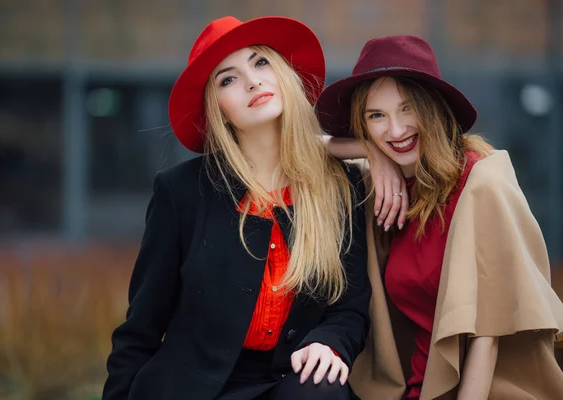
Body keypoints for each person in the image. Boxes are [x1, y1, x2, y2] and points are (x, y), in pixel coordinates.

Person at [102, 16, 372, 400]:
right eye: (228, 78)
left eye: (261, 62)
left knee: (322, 391)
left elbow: (351, 307)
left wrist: (329, 342)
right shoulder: (180, 192)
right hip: (190, 385)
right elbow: (141, 326)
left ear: (283, 74)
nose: (252, 81)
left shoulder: (340, 186)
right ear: (218, 109)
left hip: (290, 380)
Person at [315, 35, 563, 399]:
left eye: (407, 108)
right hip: (417, 387)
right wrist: (371, 153)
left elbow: (486, 338)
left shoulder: (482, 183)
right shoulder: (389, 187)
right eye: (376, 116)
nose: (396, 131)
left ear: (433, 107)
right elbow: (304, 148)